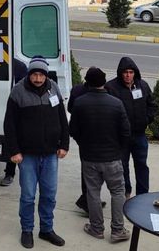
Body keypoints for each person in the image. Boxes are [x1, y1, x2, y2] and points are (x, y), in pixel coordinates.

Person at [3, 56, 70, 248]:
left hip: (50, 154)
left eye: (41, 74)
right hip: (27, 156)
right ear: (29, 74)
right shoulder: (18, 92)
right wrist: (14, 151)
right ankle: (27, 230)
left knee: (49, 194)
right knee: (28, 196)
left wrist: (64, 144)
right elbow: (10, 125)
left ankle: (46, 229)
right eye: (35, 74)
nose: (38, 79)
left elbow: (62, 119)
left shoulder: (54, 88)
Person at [69, 67, 132, 243]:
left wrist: (84, 144)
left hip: (89, 157)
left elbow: (73, 130)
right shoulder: (116, 103)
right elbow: (126, 132)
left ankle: (96, 228)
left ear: (87, 82)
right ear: (104, 82)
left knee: (93, 193)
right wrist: (118, 149)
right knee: (118, 192)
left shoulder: (80, 103)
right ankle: (118, 230)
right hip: (112, 157)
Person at [105, 57, 156, 197]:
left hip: (139, 135)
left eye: (131, 72)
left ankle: (142, 195)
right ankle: (126, 192)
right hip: (121, 137)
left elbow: (152, 105)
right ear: (120, 73)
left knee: (142, 166)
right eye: (125, 72)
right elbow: (107, 111)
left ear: (135, 73)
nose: (128, 75)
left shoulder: (142, 86)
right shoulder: (111, 88)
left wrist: (146, 120)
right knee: (122, 166)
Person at [0, 58, 27, 186]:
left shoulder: (19, 66)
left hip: (11, 109)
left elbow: (22, 90)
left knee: (11, 140)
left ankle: (10, 173)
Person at [68, 66, 105, 213]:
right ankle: (88, 200)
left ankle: (89, 198)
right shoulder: (93, 91)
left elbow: (70, 108)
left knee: (87, 168)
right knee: (95, 170)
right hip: (94, 135)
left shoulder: (77, 90)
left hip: (82, 135)